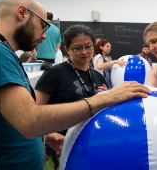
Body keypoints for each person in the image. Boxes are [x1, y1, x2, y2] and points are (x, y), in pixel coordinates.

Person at [0, 0, 150, 170]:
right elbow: (30, 120)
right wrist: (107, 97)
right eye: (43, 25)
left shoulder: (4, 53)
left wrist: (44, 136)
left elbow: (17, 120)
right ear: (22, 13)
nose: (45, 36)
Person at [35, 24, 107, 170]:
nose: (84, 52)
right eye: (77, 48)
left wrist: (106, 96)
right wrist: (48, 135)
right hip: (58, 147)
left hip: (90, 145)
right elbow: (33, 111)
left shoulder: (98, 76)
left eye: (88, 46)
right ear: (67, 49)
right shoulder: (54, 73)